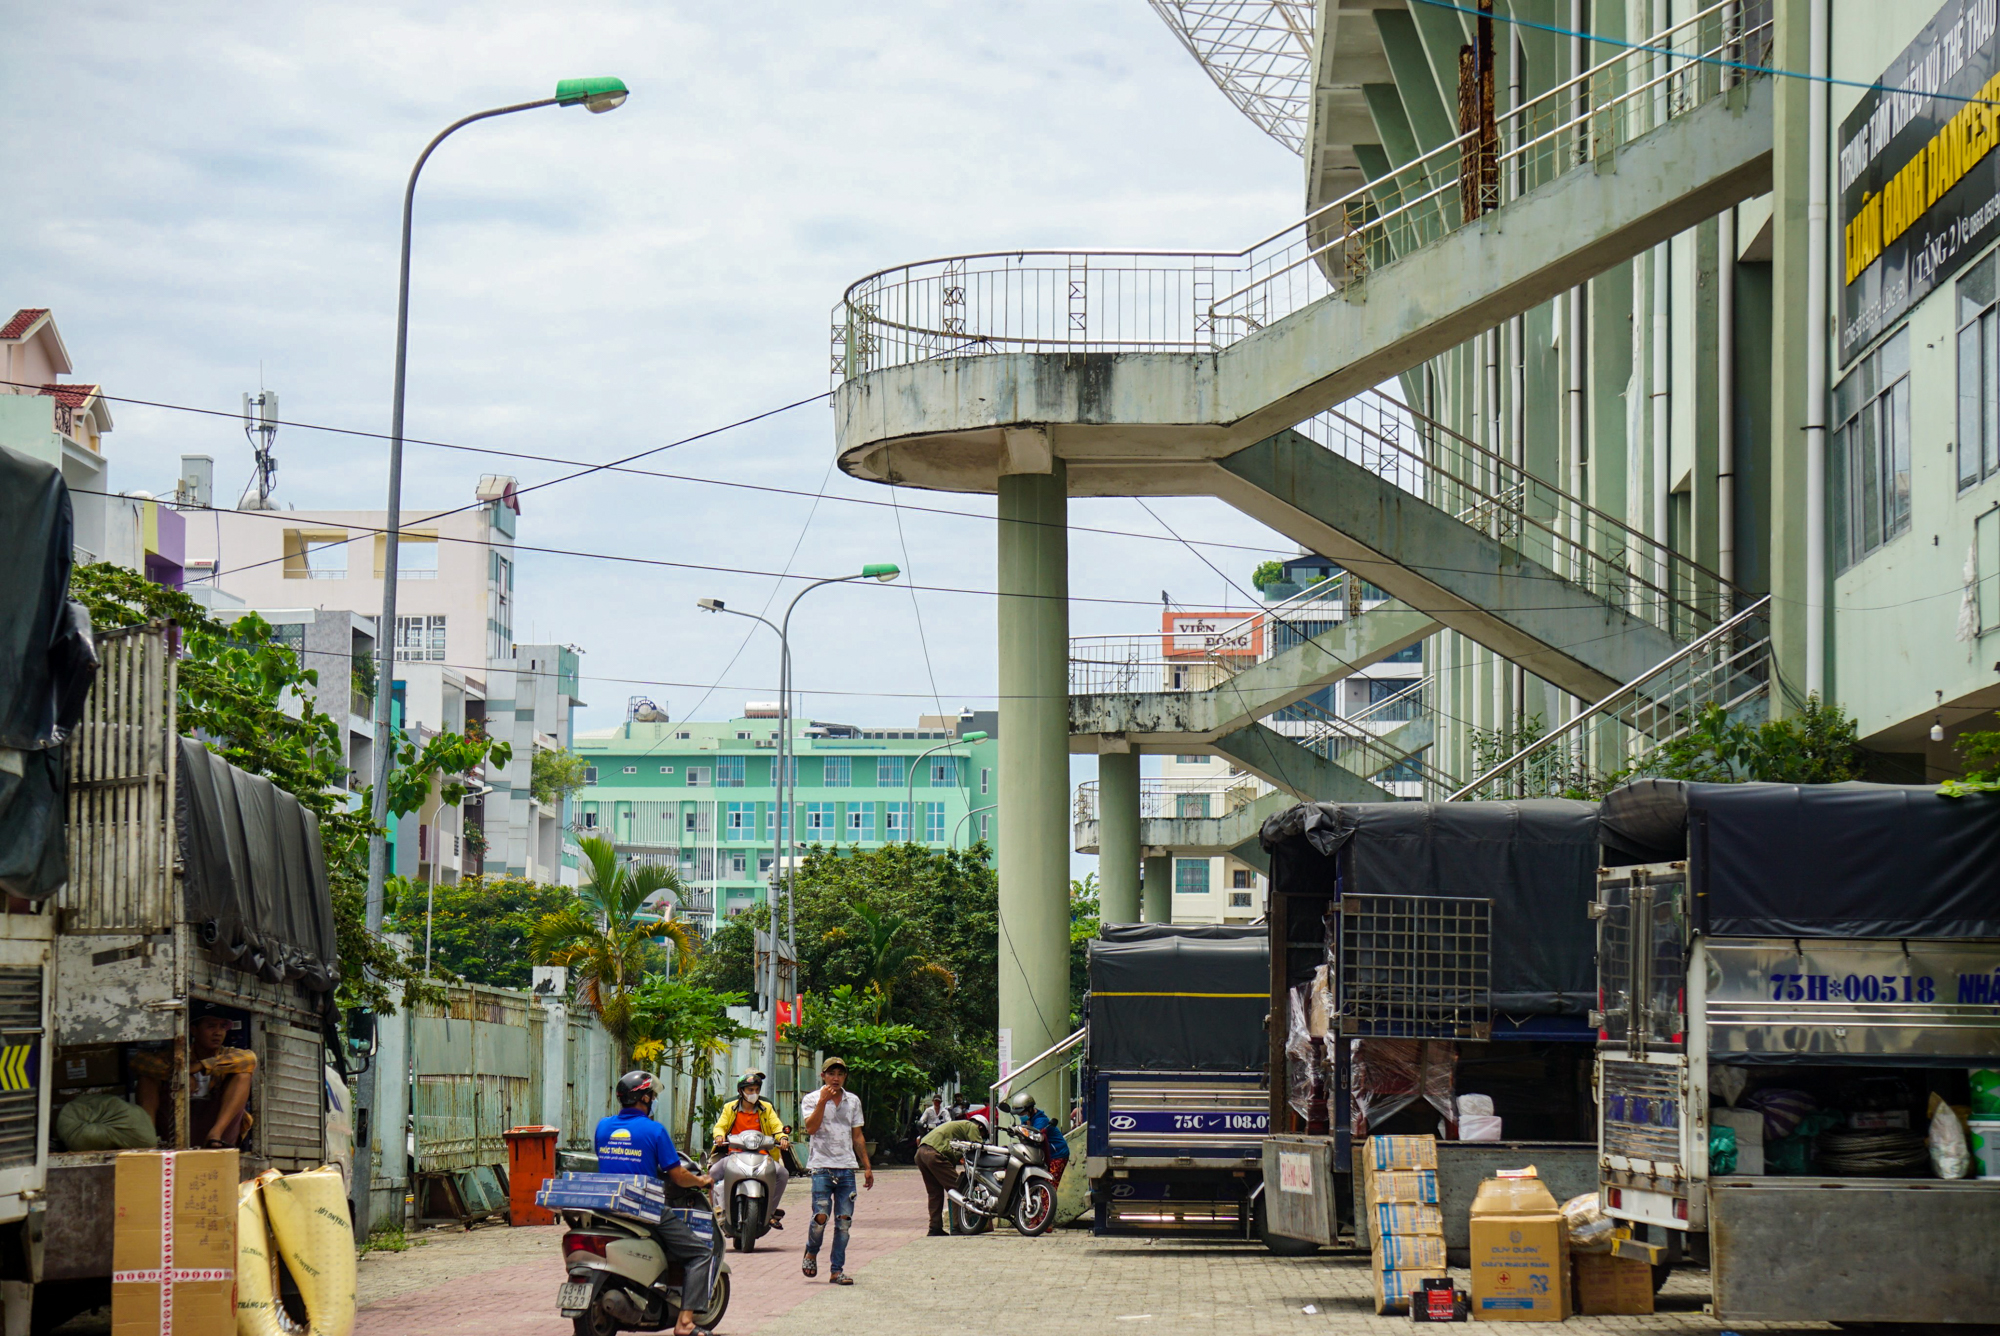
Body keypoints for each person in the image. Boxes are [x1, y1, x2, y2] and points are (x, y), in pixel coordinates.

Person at [595, 1072, 718, 1336]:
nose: (653, 1100)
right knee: (700, 1253)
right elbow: (677, 1176)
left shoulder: (603, 1127)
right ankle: (684, 1323)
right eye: (651, 1095)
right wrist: (700, 1181)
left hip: (606, 1205)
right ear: (644, 1098)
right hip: (642, 1207)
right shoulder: (654, 1130)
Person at [134, 1002, 257, 1147]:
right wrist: (180, 1074)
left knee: (242, 1075)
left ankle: (215, 1134)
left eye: (222, 1027)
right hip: (177, 1127)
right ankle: (148, 1137)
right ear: (194, 1030)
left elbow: (250, 1059)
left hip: (218, 1133)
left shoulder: (228, 1055)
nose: (218, 1032)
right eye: (211, 1026)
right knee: (148, 1077)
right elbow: (139, 1061)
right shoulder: (176, 1056)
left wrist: (199, 1066)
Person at [797, 1056, 872, 1284]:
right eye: (831, 1074)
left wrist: (867, 1166)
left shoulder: (853, 1101)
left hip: (847, 1168)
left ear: (845, 1076)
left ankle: (836, 1270)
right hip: (821, 1167)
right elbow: (810, 1128)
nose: (836, 1078)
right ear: (823, 1076)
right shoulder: (811, 1099)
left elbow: (857, 1136)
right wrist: (822, 1101)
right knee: (820, 1217)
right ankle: (811, 1250)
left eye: (840, 1074)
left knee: (844, 1222)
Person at [708, 1072, 789, 1225]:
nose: (754, 1094)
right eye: (750, 1090)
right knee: (712, 1173)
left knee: (783, 1174)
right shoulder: (729, 1108)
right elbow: (720, 1126)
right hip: (734, 1155)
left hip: (763, 1156)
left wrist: (782, 1138)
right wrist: (719, 1136)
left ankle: (770, 1212)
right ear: (741, 1091)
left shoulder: (766, 1108)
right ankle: (716, 1211)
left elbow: (777, 1126)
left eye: (757, 1090)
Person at [913, 1108, 988, 1236]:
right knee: (957, 1189)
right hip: (934, 1154)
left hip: (921, 1154)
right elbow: (978, 1149)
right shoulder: (971, 1126)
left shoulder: (957, 1128)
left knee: (935, 1193)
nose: (981, 1137)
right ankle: (957, 1227)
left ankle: (934, 1228)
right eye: (983, 1135)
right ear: (980, 1127)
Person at [1005, 1091, 1070, 1186]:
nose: (1020, 1116)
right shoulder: (1027, 1121)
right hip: (1041, 1155)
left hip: (1056, 1155)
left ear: (1030, 1109)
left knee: (1047, 1186)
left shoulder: (1041, 1121)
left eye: (1022, 1113)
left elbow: (1034, 1136)